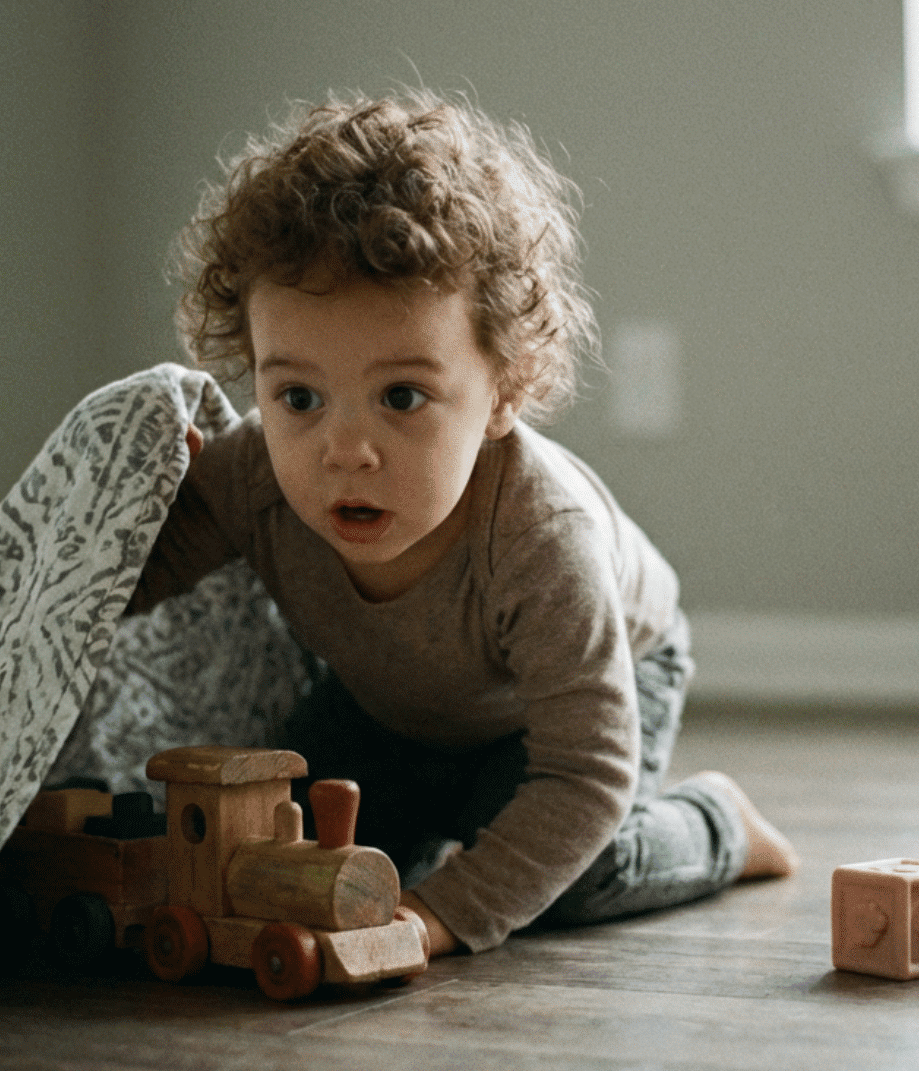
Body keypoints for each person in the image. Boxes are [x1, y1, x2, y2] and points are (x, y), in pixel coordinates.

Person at [127, 89, 796, 957]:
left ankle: (720, 825)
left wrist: (440, 916)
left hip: (560, 710)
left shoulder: (540, 538)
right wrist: (134, 499)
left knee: (569, 873)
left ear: (504, 391)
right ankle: (441, 810)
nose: (345, 449)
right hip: (393, 706)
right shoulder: (255, 474)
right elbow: (120, 579)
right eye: (297, 396)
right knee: (270, 847)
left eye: (401, 396)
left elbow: (583, 775)